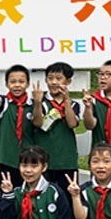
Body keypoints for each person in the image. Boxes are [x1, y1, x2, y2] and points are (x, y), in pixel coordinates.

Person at [32, 61, 80, 199]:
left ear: (68, 81)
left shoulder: (74, 104)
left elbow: (72, 124)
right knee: (43, 197)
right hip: (43, 159)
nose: (54, 82)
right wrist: (37, 103)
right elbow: (37, 122)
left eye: (58, 78)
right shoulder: (40, 101)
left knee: (68, 197)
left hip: (66, 160)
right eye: (50, 78)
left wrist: (66, 101)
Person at [0, 65, 36, 190]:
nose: (17, 85)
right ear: (6, 84)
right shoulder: (3, 103)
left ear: (28, 83)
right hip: (7, 159)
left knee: (28, 194)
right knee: (7, 195)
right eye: (13, 82)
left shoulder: (33, 105)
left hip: (28, 161)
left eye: (21, 82)